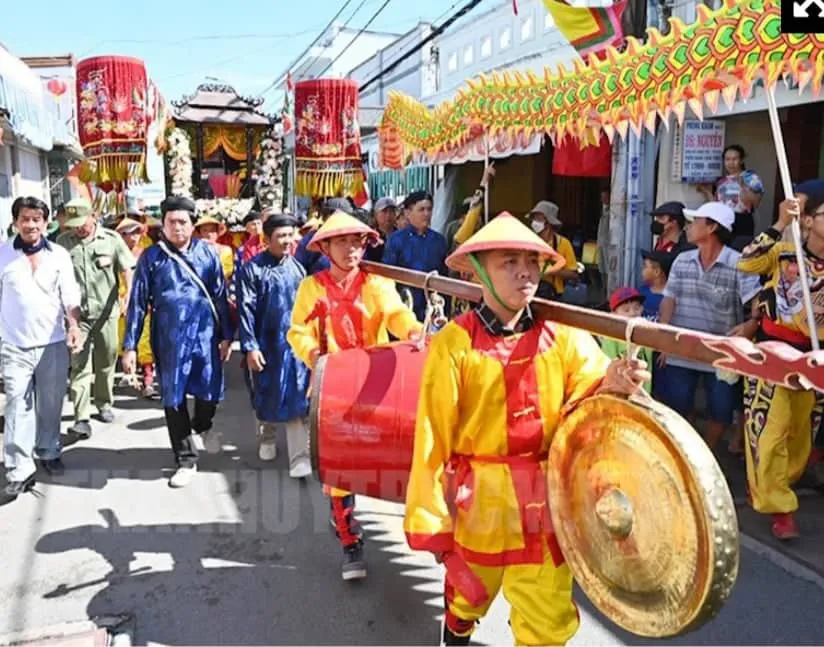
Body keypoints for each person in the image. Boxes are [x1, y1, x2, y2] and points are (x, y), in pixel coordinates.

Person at [403, 212, 649, 646]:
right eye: (509, 261)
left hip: (545, 500)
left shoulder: (564, 336)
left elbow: (586, 403)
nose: (525, 272)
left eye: (532, 262)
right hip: (482, 500)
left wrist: (610, 384)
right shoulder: (455, 344)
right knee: (467, 597)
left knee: (547, 616)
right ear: (479, 270)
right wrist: (433, 521)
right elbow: (432, 436)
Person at [287, 210, 422, 581]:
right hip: (332, 389)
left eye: (357, 241)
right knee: (338, 472)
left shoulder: (376, 284)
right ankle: (350, 543)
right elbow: (297, 330)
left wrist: (412, 331)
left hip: (375, 388)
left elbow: (396, 314)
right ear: (326, 247)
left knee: (385, 457)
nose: (352, 249)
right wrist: (313, 354)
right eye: (343, 242)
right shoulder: (310, 288)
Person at [123, 196, 234, 489]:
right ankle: (185, 459)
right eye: (171, 222)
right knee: (173, 396)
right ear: (163, 224)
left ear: (192, 224)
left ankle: (203, 424)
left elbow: (220, 296)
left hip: (205, 334)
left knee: (209, 390)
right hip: (169, 337)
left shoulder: (208, 254)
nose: (176, 227)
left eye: (182, 221)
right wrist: (130, 346)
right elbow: (137, 303)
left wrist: (227, 336)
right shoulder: (151, 258)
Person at [736, 180, 824, 539]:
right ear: (808, 220)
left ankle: (772, 484)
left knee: (800, 434)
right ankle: (780, 507)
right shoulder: (785, 249)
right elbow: (747, 263)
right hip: (772, 352)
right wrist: (775, 225)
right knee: (771, 430)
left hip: (813, 357)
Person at [658, 202, 761, 450]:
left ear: (713, 227)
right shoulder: (682, 261)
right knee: (678, 404)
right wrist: (661, 339)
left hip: (721, 352)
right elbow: (669, 300)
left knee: (721, 409)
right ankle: (690, 450)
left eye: (696, 222)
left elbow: (757, 303)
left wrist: (752, 324)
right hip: (681, 347)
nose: (689, 228)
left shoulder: (740, 264)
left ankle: (709, 450)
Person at [0, 197, 82, 504]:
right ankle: (18, 470)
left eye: (37, 219)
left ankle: (48, 449)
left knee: (50, 402)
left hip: (53, 344)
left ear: (45, 222)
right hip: (14, 345)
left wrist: (74, 326)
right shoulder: (3, 254)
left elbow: (70, 294)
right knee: (17, 405)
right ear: (15, 222)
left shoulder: (59, 254)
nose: (31, 224)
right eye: (25, 218)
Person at [238, 213, 311, 474]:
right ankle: (267, 436)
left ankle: (299, 456)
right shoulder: (252, 269)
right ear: (266, 239)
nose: (287, 241)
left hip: (295, 344)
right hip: (265, 342)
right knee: (265, 393)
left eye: (290, 235)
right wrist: (250, 346)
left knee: (298, 393)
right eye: (281, 236)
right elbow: (245, 309)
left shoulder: (298, 267)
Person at [58, 198, 136, 439]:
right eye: (74, 224)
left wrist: (128, 296)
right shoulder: (62, 243)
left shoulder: (111, 240)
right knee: (79, 365)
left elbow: (126, 269)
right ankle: (81, 417)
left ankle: (103, 403)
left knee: (106, 361)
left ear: (93, 216)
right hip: (77, 316)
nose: (78, 228)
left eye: (82, 222)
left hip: (107, 313)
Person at [381, 191, 449, 321]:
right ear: (407, 213)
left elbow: (444, 277)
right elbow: (387, 277)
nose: (426, 214)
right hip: (404, 308)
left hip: (433, 309)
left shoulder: (439, 240)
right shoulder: (396, 240)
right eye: (421, 209)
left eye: (429, 209)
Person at [115, 217, 156, 397]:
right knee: (123, 339)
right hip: (122, 302)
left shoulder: (148, 253)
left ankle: (148, 380)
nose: (131, 237)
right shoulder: (115, 254)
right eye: (126, 234)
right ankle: (129, 374)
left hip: (143, 303)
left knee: (144, 341)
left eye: (135, 233)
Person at [698, 144, 764, 247]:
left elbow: (754, 203)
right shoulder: (721, 181)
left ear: (741, 160)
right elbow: (717, 205)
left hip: (742, 220)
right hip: (723, 220)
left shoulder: (751, 178)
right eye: (727, 159)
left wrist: (743, 185)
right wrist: (706, 192)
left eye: (734, 159)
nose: (731, 163)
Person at [600, 287, 654, 393]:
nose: (632, 313)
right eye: (626, 310)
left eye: (636, 308)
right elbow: (607, 361)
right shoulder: (611, 336)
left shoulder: (645, 331)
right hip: (618, 389)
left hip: (643, 389)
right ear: (614, 314)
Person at [526, 200, 579, 299]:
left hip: (555, 295)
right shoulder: (529, 242)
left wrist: (551, 270)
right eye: (534, 218)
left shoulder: (563, 244)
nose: (534, 222)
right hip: (531, 293)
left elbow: (573, 274)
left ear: (548, 222)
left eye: (538, 218)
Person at [194, 216, 234, 282]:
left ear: (217, 232)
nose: (209, 234)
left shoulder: (226, 250)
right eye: (205, 230)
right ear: (199, 233)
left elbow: (227, 272)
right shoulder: (194, 250)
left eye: (212, 230)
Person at [638, 249, 673, 322]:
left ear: (657, 272)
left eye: (645, 266)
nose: (642, 269)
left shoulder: (671, 299)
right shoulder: (639, 293)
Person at [363, 197, 397, 262]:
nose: (388, 215)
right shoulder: (370, 237)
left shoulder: (402, 236)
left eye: (392, 211)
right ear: (376, 215)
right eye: (384, 211)